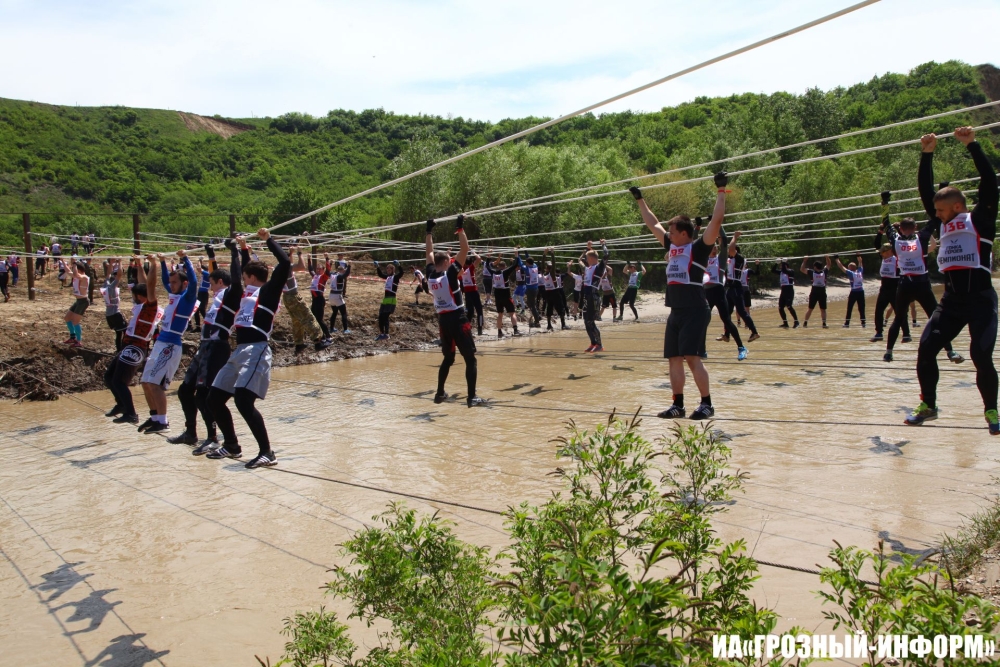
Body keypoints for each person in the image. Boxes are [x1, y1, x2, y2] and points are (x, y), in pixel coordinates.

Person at [905, 128, 997, 432]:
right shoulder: (941, 223)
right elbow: (926, 191)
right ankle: (929, 405)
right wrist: (926, 153)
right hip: (952, 302)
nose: (936, 214)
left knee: (980, 355)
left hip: (981, 301)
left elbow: (990, 184)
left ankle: (992, 411)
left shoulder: (980, 220)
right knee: (926, 349)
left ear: (958, 207)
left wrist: (972, 146)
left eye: (941, 210)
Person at [630, 172, 728, 420]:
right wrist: (640, 200)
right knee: (674, 359)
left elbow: (717, 221)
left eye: (673, 232)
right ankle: (678, 405)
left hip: (695, 310)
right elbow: (653, 224)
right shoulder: (673, 247)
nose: (668, 235)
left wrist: (721, 190)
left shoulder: (699, 248)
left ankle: (707, 404)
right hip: (675, 311)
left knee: (692, 359)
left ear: (684, 233)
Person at [207, 228, 291, 468]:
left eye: (245, 277)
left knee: (243, 401)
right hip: (239, 351)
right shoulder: (249, 293)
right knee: (214, 399)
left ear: (251, 277)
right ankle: (232, 445)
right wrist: (243, 248)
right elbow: (245, 269)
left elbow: (285, 263)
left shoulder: (269, 292)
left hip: (256, 349)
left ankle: (267, 452)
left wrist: (268, 240)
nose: (242, 281)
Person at [168, 242, 241, 453]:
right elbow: (217, 273)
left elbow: (235, 280)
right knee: (184, 391)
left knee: (203, 395)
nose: (209, 287)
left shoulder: (231, 296)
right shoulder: (219, 295)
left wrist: (234, 251)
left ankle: (213, 438)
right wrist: (211, 254)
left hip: (217, 348)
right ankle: (190, 433)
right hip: (205, 347)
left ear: (220, 283)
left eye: (212, 283)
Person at [881, 191, 963, 364]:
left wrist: (885, 201)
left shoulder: (895, 239)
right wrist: (942, 191)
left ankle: (888, 352)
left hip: (904, 284)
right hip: (922, 284)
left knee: (899, 318)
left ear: (900, 228)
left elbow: (885, 221)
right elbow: (935, 218)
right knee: (936, 317)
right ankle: (950, 351)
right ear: (915, 227)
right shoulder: (923, 237)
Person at [424, 217, 485, 407]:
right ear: (446, 262)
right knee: (470, 359)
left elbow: (428, 252)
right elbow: (465, 249)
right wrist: (460, 228)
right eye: (449, 261)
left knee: (448, 358)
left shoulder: (430, 274)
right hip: (458, 319)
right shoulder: (450, 274)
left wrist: (428, 231)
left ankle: (439, 393)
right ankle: (472, 397)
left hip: (443, 321)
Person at [138, 249, 199, 434]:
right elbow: (165, 280)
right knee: (145, 382)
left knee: (155, 384)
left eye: (175, 283)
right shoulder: (174, 296)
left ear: (184, 284)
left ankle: (163, 422)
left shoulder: (187, 298)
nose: (170, 285)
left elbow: (194, 282)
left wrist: (185, 258)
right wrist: (162, 262)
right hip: (160, 343)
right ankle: (155, 417)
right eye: (171, 283)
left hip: (171, 345)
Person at [104, 257, 164, 425]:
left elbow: (150, 285)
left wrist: (154, 264)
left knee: (119, 382)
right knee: (109, 377)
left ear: (141, 297)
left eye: (135, 296)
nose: (134, 298)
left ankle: (131, 414)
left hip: (136, 348)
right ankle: (121, 405)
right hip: (128, 346)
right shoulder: (141, 305)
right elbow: (144, 284)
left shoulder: (151, 308)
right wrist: (138, 265)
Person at [705, 230, 748, 361]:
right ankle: (700, 350)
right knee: (702, 321)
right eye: (712, 246)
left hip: (718, 291)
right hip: (706, 293)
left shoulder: (721, 259)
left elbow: (724, 239)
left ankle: (741, 348)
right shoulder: (703, 259)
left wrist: (717, 224)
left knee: (726, 320)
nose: (714, 248)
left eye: (715, 247)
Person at [279, 245, 328, 353]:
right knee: (308, 317)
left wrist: (291, 253)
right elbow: (302, 266)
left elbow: (290, 264)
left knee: (296, 321)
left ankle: (299, 344)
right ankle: (318, 341)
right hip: (293, 296)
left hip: (286, 297)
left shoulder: (279, 267)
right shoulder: (286, 267)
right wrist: (299, 253)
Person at [724, 233, 760, 341]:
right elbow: (725, 250)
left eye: (731, 251)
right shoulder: (730, 259)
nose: (729, 252)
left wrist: (735, 237)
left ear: (735, 251)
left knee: (742, 311)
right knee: (727, 313)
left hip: (736, 288)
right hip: (730, 288)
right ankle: (726, 335)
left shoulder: (739, 259)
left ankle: (754, 332)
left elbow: (730, 248)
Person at [578, 240, 610, 352]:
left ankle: (599, 345)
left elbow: (606, 255)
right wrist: (588, 248)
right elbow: (580, 261)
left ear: (591, 258)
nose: (586, 260)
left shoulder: (599, 268)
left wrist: (603, 244)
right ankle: (593, 343)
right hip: (586, 296)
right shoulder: (587, 268)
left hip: (593, 296)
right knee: (586, 321)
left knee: (591, 321)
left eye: (587, 258)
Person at [488, 250, 522, 338]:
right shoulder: (505, 272)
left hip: (497, 296)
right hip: (506, 295)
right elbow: (514, 265)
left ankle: (499, 332)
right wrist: (516, 254)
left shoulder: (493, 272)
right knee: (512, 313)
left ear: (498, 266)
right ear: (504, 267)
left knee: (500, 314)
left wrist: (489, 256)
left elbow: (488, 266)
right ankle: (515, 330)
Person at [101, 258, 128, 350]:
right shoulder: (112, 287)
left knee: (118, 333)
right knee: (125, 331)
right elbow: (119, 275)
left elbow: (108, 274)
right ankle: (123, 348)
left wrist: (111, 263)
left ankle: (118, 349)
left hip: (109, 314)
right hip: (115, 313)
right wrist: (120, 262)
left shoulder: (106, 285)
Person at [374, 258, 404, 340]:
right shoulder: (387, 277)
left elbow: (401, 273)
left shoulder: (396, 277)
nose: (388, 271)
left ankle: (387, 334)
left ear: (393, 270)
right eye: (387, 269)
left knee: (385, 316)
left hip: (391, 299)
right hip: (385, 299)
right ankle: (381, 334)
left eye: (389, 269)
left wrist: (399, 265)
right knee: (380, 316)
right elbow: (380, 274)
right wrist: (377, 267)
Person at [63, 261, 90, 347]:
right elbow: (68, 271)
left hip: (83, 301)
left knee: (75, 321)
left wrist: (75, 265)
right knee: (67, 318)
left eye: (75, 268)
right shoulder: (77, 276)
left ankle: (78, 341)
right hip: (78, 301)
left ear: (79, 269)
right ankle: (73, 337)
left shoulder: (84, 277)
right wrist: (62, 261)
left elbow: (76, 274)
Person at [835, 253, 866, 328]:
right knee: (861, 308)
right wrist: (858, 255)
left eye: (848, 267)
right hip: (861, 292)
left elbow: (841, 267)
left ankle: (847, 323)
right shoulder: (860, 271)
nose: (848, 269)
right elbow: (860, 261)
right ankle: (863, 323)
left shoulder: (851, 273)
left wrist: (836, 259)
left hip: (854, 293)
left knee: (850, 308)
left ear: (851, 268)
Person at [799, 256, 831, 328]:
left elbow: (802, 269)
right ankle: (824, 323)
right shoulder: (824, 271)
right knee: (822, 309)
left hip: (815, 292)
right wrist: (827, 257)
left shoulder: (811, 272)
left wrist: (805, 260)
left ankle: (805, 323)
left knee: (811, 309)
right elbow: (829, 264)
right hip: (821, 292)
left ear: (815, 267)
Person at [542, 248, 569, 331]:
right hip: (555, 293)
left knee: (549, 308)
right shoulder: (552, 274)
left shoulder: (543, 274)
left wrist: (544, 254)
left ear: (546, 268)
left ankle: (549, 325)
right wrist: (552, 253)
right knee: (561, 308)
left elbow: (542, 265)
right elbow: (554, 264)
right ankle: (563, 325)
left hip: (547, 293)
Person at [461, 253, 485, 335]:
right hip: (474, 292)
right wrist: (473, 252)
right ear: (471, 263)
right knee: (479, 310)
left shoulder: (461, 269)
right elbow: (479, 259)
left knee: (470, 312)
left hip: (467, 293)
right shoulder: (470, 268)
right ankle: (480, 329)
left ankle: (466, 329)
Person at [328, 259, 352, 334]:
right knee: (343, 313)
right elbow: (346, 274)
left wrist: (330, 264)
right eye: (343, 270)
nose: (344, 271)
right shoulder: (340, 276)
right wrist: (349, 265)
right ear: (341, 270)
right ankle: (345, 329)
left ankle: (331, 328)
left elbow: (327, 271)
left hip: (331, 296)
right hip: (337, 295)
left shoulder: (332, 274)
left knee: (334, 312)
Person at [523, 253, 542, 327]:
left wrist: (517, 254)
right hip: (535, 288)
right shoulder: (535, 266)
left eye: (526, 262)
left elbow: (520, 263)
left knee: (532, 305)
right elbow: (529, 260)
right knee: (530, 304)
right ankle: (537, 316)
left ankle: (537, 321)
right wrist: (525, 252)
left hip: (531, 290)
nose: (525, 263)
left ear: (528, 263)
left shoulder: (527, 269)